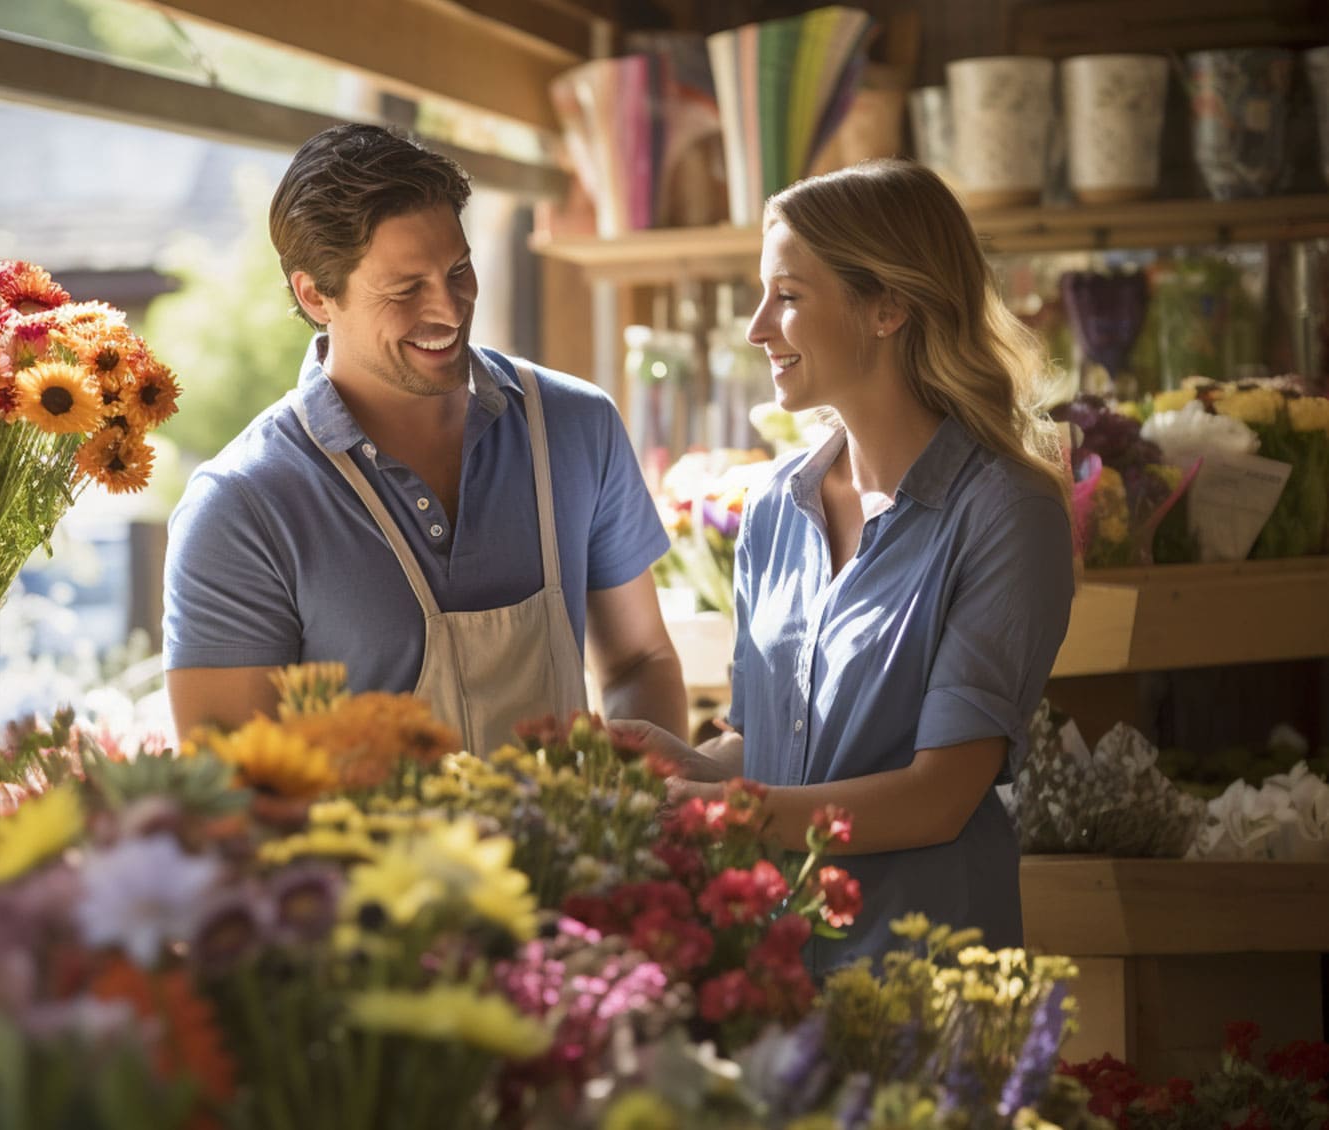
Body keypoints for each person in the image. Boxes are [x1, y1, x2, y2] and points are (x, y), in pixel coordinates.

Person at [617, 159, 1074, 975]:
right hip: (773, 968)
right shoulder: (771, 508)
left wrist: (718, 812)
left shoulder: (1005, 511)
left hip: (921, 978)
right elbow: (763, 748)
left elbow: (940, 797)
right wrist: (679, 763)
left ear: (889, 306)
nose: (757, 327)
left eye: (787, 297)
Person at [163, 124, 687, 754]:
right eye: (406, 289)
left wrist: (641, 807)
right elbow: (233, 794)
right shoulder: (242, 507)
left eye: (458, 269)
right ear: (316, 295)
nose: (449, 309)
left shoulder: (577, 427)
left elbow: (639, 661)